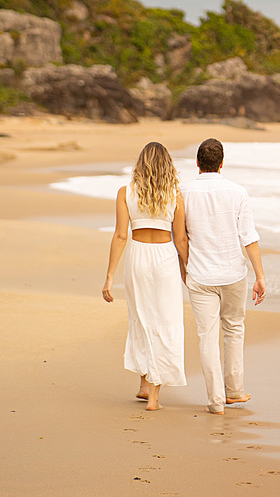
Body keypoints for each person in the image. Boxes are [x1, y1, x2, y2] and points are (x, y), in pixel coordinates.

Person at [182, 137, 266, 415]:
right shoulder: (237, 192)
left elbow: (179, 238)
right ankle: (234, 391)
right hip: (232, 273)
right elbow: (248, 237)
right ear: (221, 164)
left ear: (197, 163)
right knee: (233, 329)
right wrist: (260, 276)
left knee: (207, 337)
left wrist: (184, 268)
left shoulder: (184, 192)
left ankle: (215, 400)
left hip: (199, 274)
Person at [102, 141, 189, 411]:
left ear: (140, 163)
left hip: (138, 257)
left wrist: (109, 277)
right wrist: (187, 270)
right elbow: (181, 239)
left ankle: (143, 383)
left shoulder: (124, 192)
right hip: (164, 259)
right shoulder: (175, 194)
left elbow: (120, 235)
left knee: (141, 318)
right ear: (167, 165)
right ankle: (153, 396)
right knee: (165, 320)